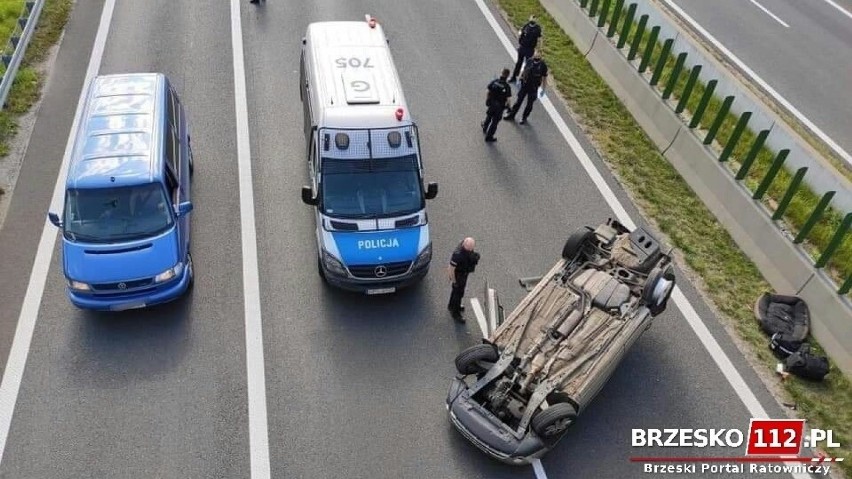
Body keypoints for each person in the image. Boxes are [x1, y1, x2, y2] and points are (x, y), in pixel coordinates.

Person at [504, 50, 548, 125]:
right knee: (518, 101)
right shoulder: (529, 60)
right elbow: (524, 70)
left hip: (533, 87)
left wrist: (543, 89)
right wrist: (519, 78)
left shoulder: (543, 65)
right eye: (536, 53)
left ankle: (524, 117)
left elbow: (544, 78)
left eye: (538, 54)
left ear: (541, 55)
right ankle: (512, 115)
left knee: (529, 104)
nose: (536, 55)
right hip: (525, 85)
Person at [447, 237, 480, 322]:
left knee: (455, 292)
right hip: (458, 275)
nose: (471, 250)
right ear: (465, 246)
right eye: (470, 249)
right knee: (458, 293)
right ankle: (456, 313)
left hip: (464, 273)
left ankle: (451, 305)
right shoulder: (457, 255)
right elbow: (451, 269)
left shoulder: (466, 247)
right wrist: (454, 281)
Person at [481, 68, 512, 142]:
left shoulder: (495, 81)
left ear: (501, 73)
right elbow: (508, 99)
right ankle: (489, 136)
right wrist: (509, 107)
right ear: (508, 76)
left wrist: (487, 99)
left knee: (489, 115)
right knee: (495, 122)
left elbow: (488, 91)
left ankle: (485, 126)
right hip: (500, 107)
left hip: (492, 103)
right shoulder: (507, 86)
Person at [509, 16, 543, 83]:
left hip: (530, 49)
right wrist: (520, 42)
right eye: (532, 17)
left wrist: (539, 49)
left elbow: (540, 39)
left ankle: (523, 78)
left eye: (534, 18)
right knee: (519, 63)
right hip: (522, 47)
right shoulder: (526, 25)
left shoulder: (537, 29)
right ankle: (514, 77)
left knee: (528, 65)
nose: (533, 19)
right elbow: (521, 33)